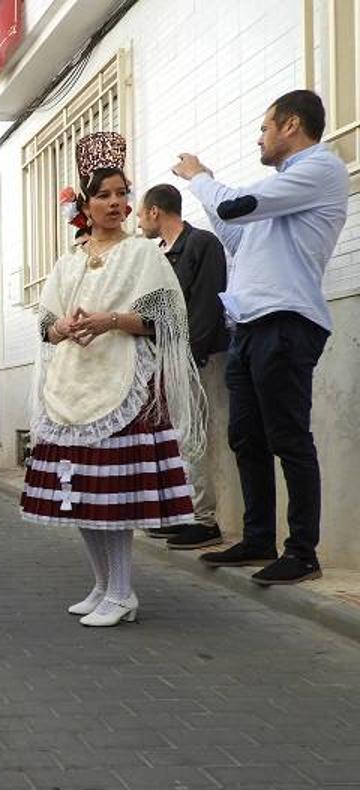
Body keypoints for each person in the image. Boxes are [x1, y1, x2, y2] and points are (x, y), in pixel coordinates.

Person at [21, 131, 202, 627]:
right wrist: (63, 327)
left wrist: (110, 320)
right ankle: (102, 584)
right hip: (72, 387)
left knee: (113, 497)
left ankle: (123, 592)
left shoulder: (143, 254)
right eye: (104, 194)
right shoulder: (68, 261)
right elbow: (44, 324)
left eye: (123, 193)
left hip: (123, 385)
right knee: (80, 493)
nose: (117, 203)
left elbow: (166, 320)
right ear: (85, 202)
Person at [173, 90, 349, 584]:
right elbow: (236, 234)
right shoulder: (284, 190)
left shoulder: (320, 169)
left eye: (265, 127)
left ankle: (303, 552)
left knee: (288, 437)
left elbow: (234, 206)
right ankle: (257, 538)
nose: (259, 137)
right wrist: (211, 199)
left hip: (287, 321)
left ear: (291, 125)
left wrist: (199, 177)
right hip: (249, 325)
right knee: (246, 436)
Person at [138, 183, 230, 550]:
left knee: (195, 435)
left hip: (195, 360)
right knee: (176, 438)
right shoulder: (158, 256)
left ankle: (204, 519)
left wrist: (189, 358)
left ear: (156, 212)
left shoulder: (202, 244)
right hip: (164, 361)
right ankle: (183, 512)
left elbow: (208, 307)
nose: (140, 221)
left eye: (141, 213)